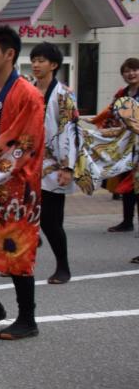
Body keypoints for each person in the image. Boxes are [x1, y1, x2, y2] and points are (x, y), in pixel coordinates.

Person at [0, 25, 46, 341]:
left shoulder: (27, 94)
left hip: (17, 186)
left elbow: (25, 142)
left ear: (9, 54)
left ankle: (27, 318)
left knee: (15, 251)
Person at [30, 43, 92, 284]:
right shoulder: (29, 89)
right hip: (32, 163)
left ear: (54, 65)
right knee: (28, 215)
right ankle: (22, 261)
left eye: (41, 60)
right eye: (34, 59)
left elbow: (71, 131)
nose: (36, 64)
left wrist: (68, 168)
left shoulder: (64, 94)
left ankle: (63, 267)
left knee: (51, 220)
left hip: (56, 165)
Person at [93, 57, 139, 232]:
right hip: (125, 146)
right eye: (127, 71)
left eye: (134, 70)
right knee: (126, 182)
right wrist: (101, 128)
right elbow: (111, 114)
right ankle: (127, 221)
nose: (131, 74)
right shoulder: (122, 93)